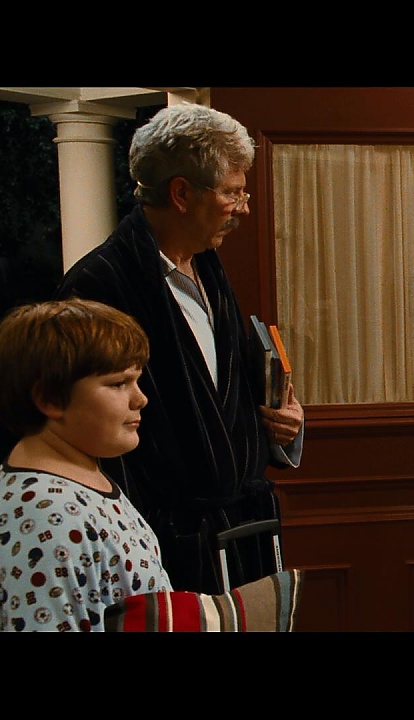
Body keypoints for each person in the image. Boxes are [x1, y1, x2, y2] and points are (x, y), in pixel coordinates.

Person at [54, 103, 304, 595]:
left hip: (244, 539)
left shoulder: (207, 265)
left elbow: (227, 397)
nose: (244, 207)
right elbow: (92, 443)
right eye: (232, 192)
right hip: (168, 555)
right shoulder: (96, 288)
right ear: (182, 193)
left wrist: (283, 425)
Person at [0, 298, 171, 631]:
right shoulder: (43, 516)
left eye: (136, 380)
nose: (141, 398)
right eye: (119, 383)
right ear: (50, 399)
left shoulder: (77, 475)